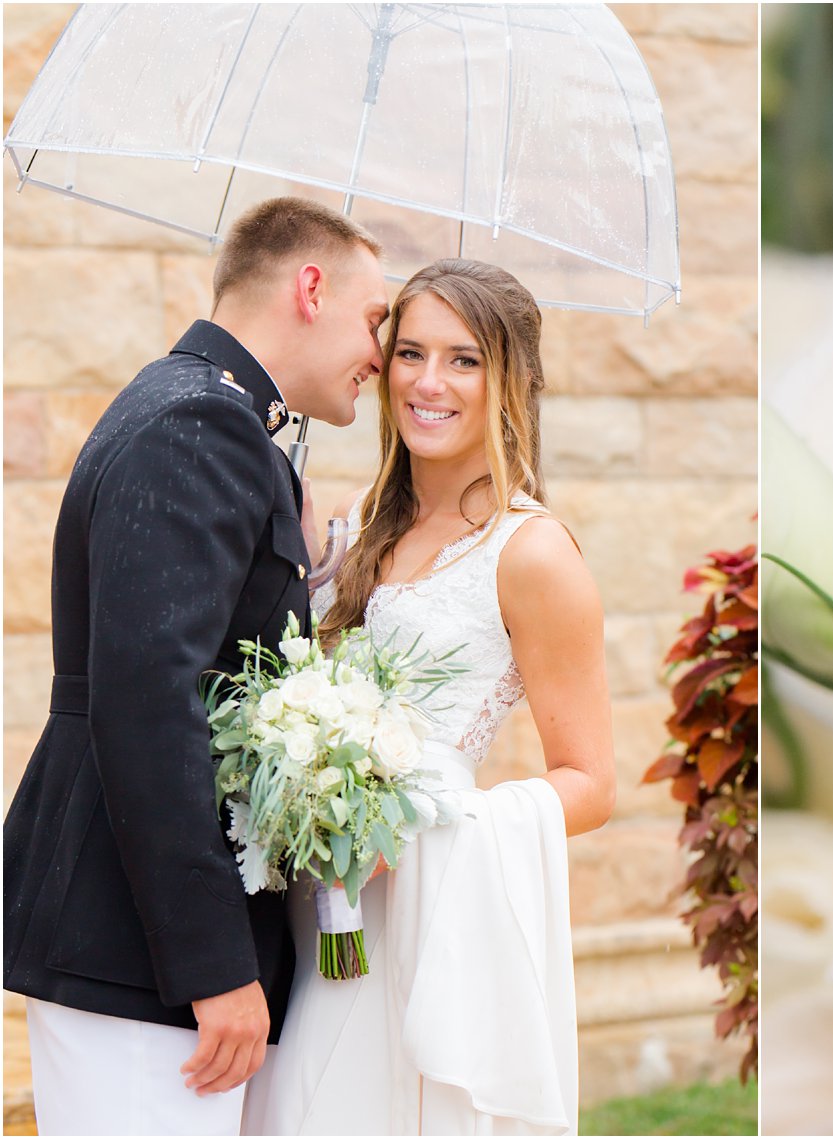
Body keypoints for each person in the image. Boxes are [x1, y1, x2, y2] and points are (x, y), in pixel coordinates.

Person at [2, 197, 390, 1135]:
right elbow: (152, 707)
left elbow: (198, 650)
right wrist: (216, 965)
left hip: (131, 941)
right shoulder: (201, 429)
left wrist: (303, 564)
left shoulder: (200, 410)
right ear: (310, 287)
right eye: (376, 319)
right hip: (141, 953)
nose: (379, 352)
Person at [241, 259, 617, 1135]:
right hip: (317, 893)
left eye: (464, 359)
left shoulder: (533, 552)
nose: (428, 382)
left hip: (422, 900)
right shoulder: (366, 517)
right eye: (410, 352)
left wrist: (420, 826)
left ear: (511, 381)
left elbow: (592, 783)